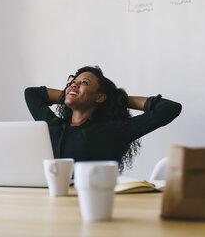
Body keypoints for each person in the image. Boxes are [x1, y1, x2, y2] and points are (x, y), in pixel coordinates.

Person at [25, 66, 182, 173]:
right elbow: (31, 93)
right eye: (73, 83)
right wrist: (71, 94)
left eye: (84, 83)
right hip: (54, 200)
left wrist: (117, 99)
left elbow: (169, 108)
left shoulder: (112, 131)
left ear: (100, 97)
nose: (74, 85)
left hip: (95, 201)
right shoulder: (53, 125)